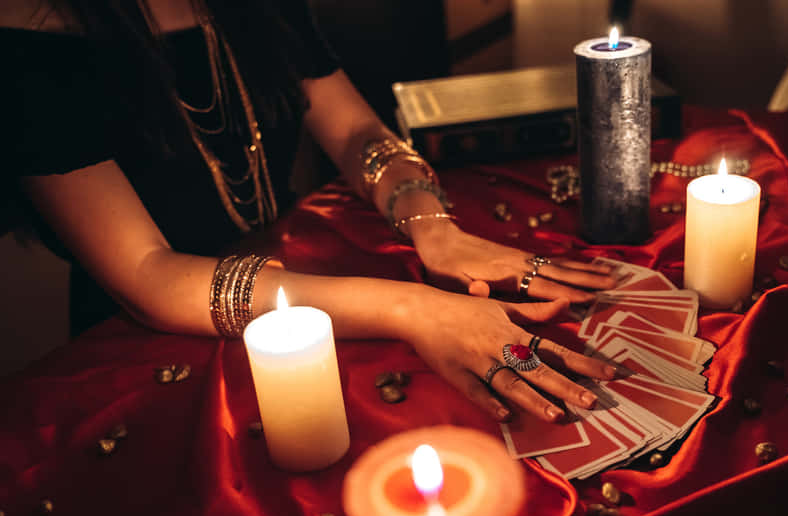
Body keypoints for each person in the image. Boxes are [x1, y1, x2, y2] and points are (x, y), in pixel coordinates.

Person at [2, 0, 618, 423]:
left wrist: (434, 229)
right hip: (147, 347)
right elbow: (147, 275)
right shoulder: (31, 40)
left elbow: (353, 132)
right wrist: (415, 308)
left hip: (302, 287)